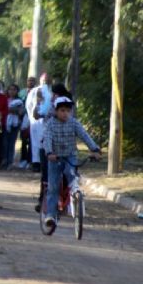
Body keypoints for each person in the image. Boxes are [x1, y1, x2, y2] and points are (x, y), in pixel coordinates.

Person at [42, 97, 101, 229]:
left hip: (70, 156)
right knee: (53, 187)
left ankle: (75, 199)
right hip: (55, 158)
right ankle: (50, 215)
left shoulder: (74, 123)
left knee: (72, 176)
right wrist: (49, 152)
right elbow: (47, 138)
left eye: (68, 111)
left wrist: (95, 149)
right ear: (56, 111)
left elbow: (84, 135)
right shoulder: (51, 124)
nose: (65, 113)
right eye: (62, 110)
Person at [3, 84, 25, 169]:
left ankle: (10, 162)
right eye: (10, 89)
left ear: (17, 91)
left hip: (15, 124)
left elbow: (21, 112)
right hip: (5, 123)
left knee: (12, 142)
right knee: (5, 143)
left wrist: (12, 110)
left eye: (14, 90)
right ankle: (4, 160)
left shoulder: (20, 101)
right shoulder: (5, 99)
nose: (12, 91)